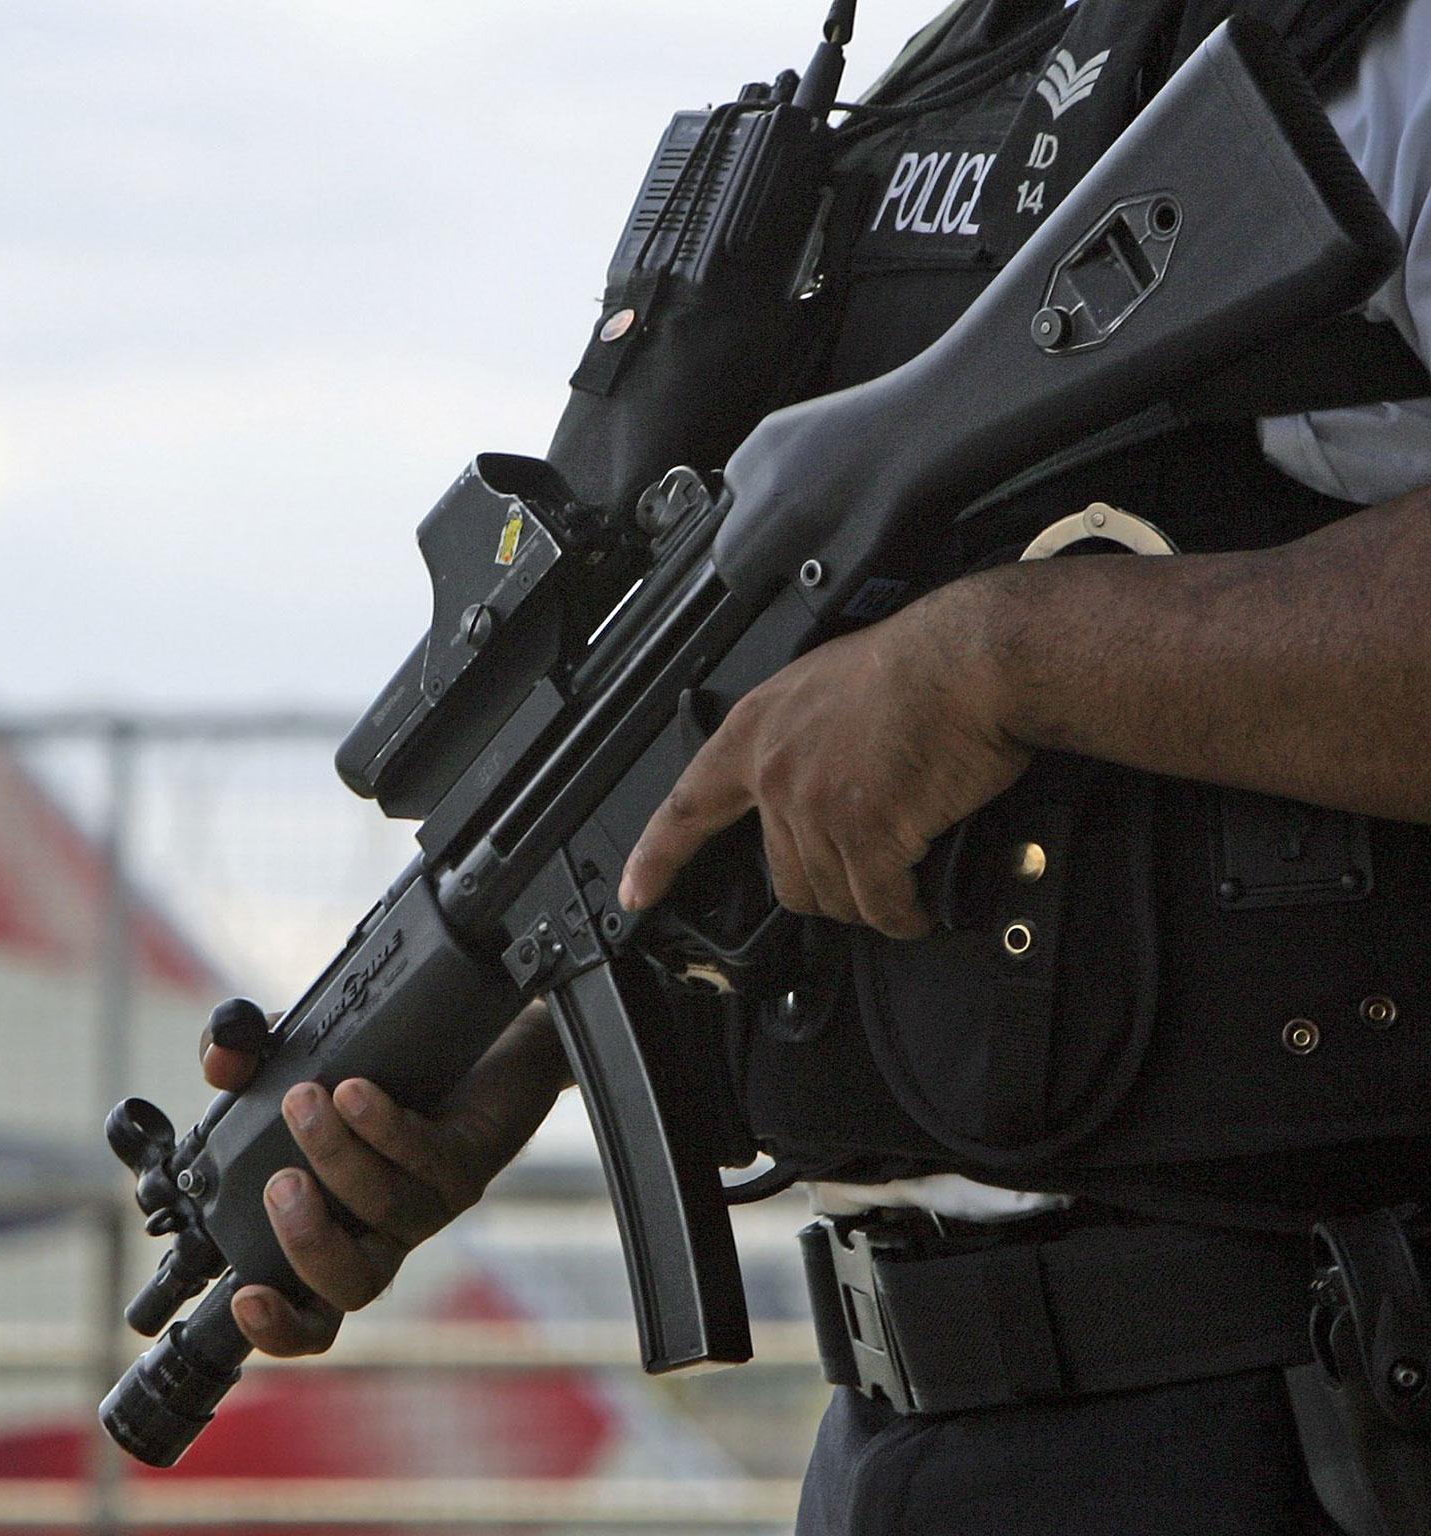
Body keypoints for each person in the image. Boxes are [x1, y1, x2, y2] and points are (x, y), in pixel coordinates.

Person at [204, 0, 1431, 1530]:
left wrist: (1007, 664)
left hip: (1313, 1402)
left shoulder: (1360, 59)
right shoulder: (941, 90)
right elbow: (786, 738)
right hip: (904, 1433)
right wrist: (509, 1047)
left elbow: (943, 673)